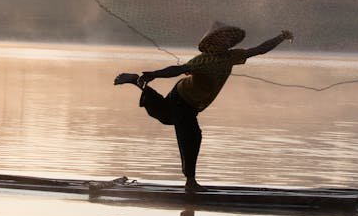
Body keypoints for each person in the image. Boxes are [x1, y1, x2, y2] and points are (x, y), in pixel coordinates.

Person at [114, 23, 294, 192]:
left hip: (191, 103)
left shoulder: (232, 56)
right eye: (221, 41)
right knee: (191, 135)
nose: (226, 43)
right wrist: (155, 74)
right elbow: (177, 69)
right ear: (212, 44)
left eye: (227, 41)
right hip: (183, 98)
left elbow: (260, 50)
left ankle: (135, 80)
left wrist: (281, 37)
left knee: (167, 116)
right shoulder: (202, 61)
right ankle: (190, 183)